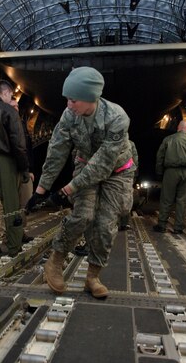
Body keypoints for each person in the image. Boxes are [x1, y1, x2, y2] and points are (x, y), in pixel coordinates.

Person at [27, 66, 136, 298]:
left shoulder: (117, 118)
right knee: (82, 216)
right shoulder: (69, 117)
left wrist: (67, 189)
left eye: (73, 100)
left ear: (91, 98)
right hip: (85, 163)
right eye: (67, 99)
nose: (69, 104)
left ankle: (92, 277)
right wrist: (41, 190)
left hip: (116, 171)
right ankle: (55, 262)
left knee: (106, 225)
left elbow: (103, 163)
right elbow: (57, 151)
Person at [0, 80, 29, 257]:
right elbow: (18, 144)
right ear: (6, 93)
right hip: (5, 161)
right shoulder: (9, 110)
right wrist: (24, 168)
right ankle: (14, 246)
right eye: (11, 95)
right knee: (11, 204)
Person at [153, 120, 186, 234]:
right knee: (182, 201)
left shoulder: (168, 139)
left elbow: (160, 156)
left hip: (171, 172)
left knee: (166, 199)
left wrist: (159, 172)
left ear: (178, 127)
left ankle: (162, 225)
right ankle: (178, 227)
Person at [9, 98, 35, 243]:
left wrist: (29, 169)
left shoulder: (22, 124)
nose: (16, 108)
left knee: (25, 201)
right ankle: (10, 234)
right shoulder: (4, 120)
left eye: (17, 106)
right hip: (12, 169)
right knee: (9, 203)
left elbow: (28, 149)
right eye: (13, 106)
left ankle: (21, 231)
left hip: (24, 169)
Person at [119, 139, 139, 230]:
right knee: (126, 197)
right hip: (126, 174)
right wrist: (135, 175)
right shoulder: (130, 143)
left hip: (111, 174)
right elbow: (135, 160)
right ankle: (124, 223)